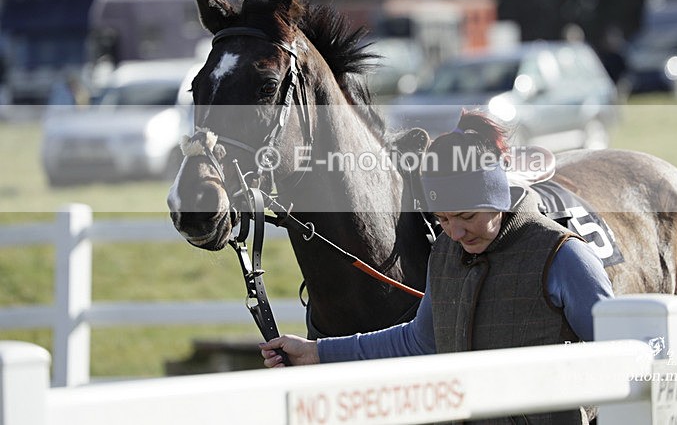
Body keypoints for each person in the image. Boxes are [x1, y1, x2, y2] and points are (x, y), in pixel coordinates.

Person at [260, 110, 614, 424]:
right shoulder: (445, 251)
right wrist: (317, 352)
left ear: (497, 197)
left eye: (467, 216)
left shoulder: (564, 256)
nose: (456, 232)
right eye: (443, 219)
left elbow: (625, 356)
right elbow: (420, 339)